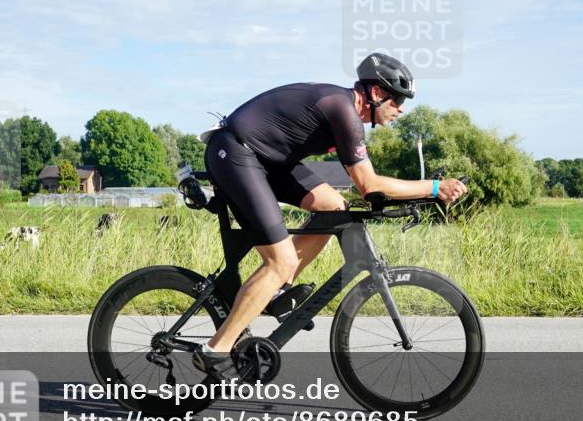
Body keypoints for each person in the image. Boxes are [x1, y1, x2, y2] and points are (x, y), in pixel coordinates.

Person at [194, 52, 468, 381]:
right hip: (237, 153)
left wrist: (422, 193)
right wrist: (434, 187)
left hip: (265, 159)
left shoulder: (344, 107)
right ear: (376, 93)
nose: (401, 109)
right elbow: (369, 185)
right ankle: (216, 349)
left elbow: (368, 189)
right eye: (397, 99)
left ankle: (276, 289)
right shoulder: (343, 110)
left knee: (333, 207)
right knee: (278, 261)